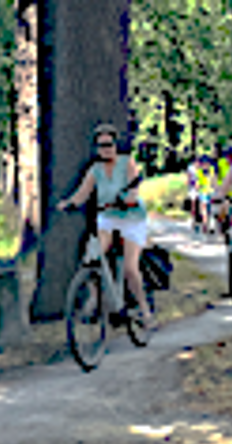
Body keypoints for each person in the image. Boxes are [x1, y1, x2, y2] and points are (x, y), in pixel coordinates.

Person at [56, 123, 157, 331]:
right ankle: (94, 298)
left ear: (115, 145)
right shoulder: (95, 170)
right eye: (102, 146)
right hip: (108, 218)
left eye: (109, 144)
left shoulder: (127, 162)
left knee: (130, 268)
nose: (106, 149)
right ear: (97, 149)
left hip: (131, 218)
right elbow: (83, 192)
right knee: (92, 256)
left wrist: (129, 198)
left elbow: (134, 187)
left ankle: (144, 309)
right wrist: (70, 203)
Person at [186, 155, 216, 234]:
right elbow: (213, 181)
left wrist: (197, 186)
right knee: (208, 209)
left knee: (206, 209)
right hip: (207, 192)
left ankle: (206, 224)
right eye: (204, 164)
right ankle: (208, 224)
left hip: (206, 191)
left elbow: (198, 183)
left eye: (206, 164)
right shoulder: (208, 170)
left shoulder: (202, 171)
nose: (205, 165)